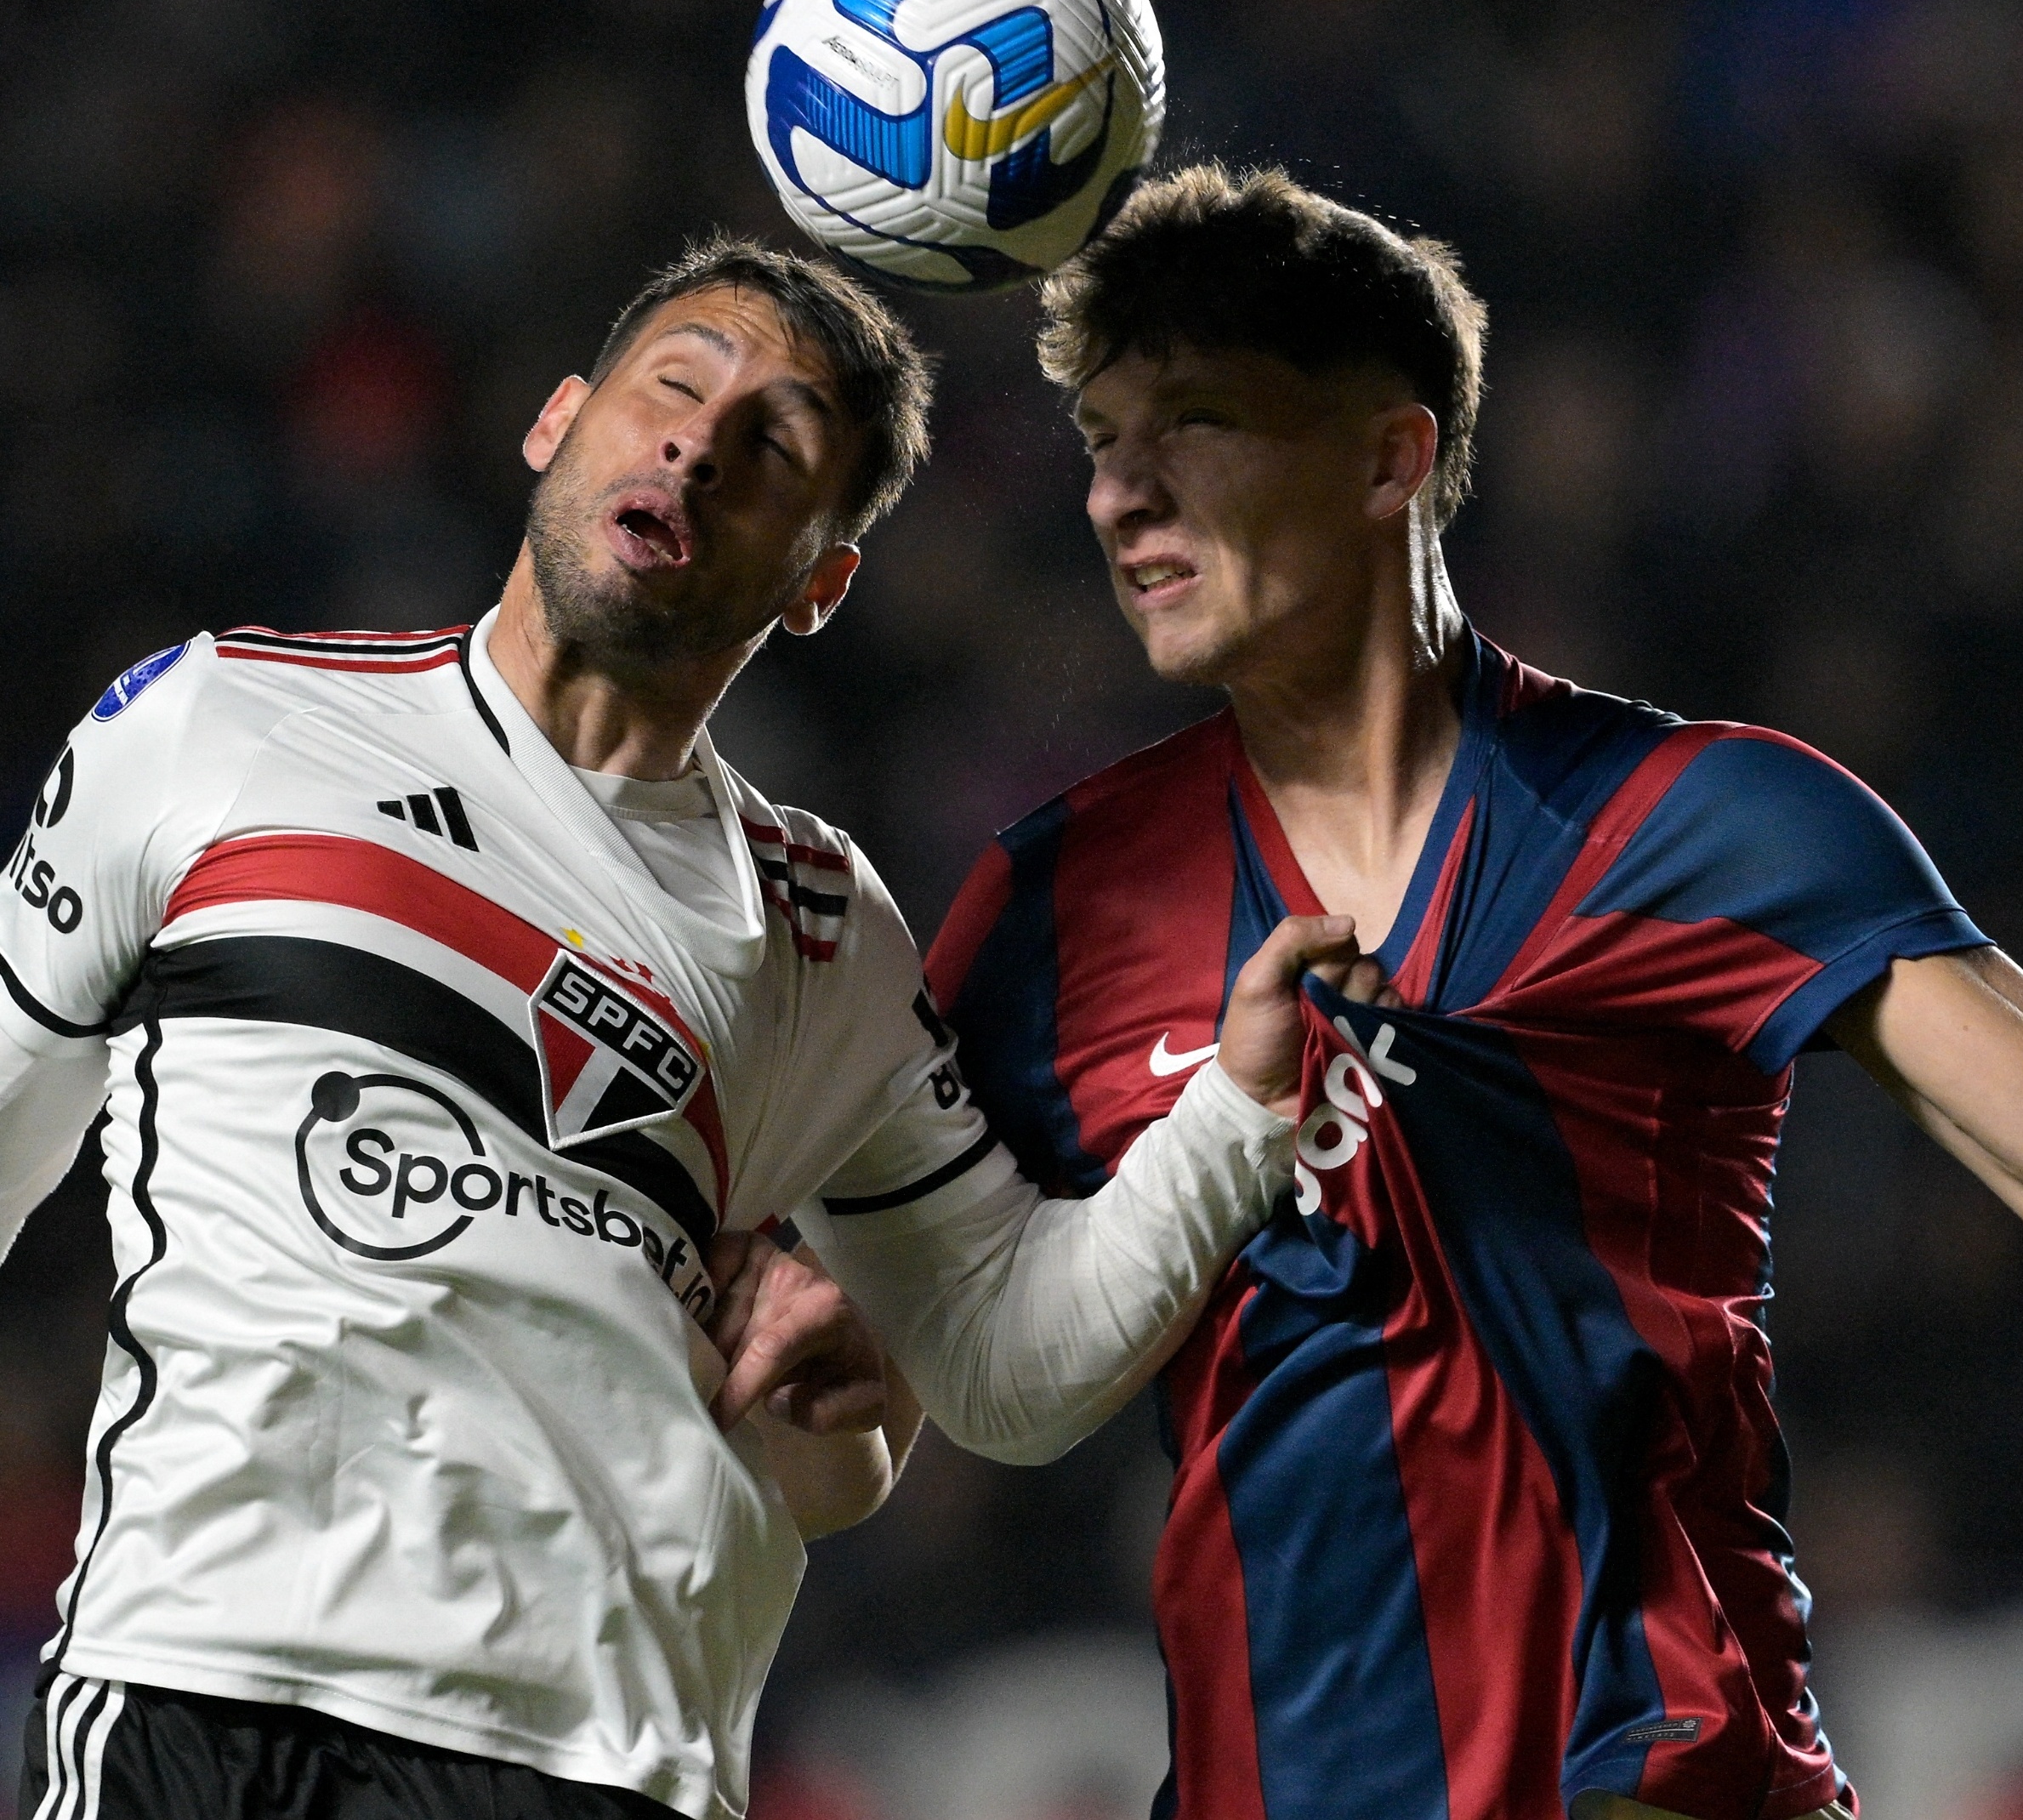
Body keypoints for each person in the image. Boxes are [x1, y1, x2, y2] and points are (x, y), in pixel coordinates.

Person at [0, 236, 1338, 1820]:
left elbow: (1008, 1360)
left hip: (601, 1756)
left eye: (773, 447)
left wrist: (1241, 1109)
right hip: (205, 1697)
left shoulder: (822, 930)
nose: (697, 445)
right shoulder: (217, 722)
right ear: (559, 424)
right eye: (672, 390)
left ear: (823, 578)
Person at [925, 163, 2023, 1820]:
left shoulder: (1693, 821)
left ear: (1390, 456)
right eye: (1100, 443)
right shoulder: (1049, 905)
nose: (1121, 497)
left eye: (1195, 427)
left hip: (1642, 1779)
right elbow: (899, 1354)